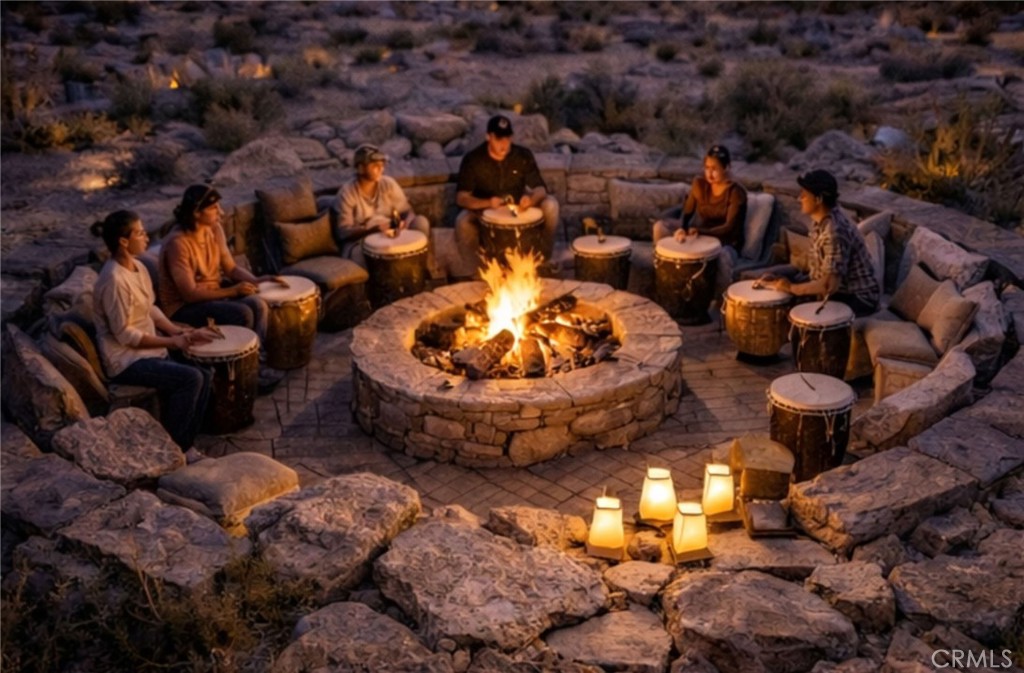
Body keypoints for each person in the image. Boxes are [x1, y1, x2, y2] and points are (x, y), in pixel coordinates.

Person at [91, 210, 217, 454]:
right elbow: (125, 336)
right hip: (126, 361)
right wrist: (173, 342)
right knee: (191, 379)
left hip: (149, 349)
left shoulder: (137, 266)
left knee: (206, 373)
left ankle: (186, 440)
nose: (146, 237)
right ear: (124, 241)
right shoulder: (114, 281)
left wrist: (179, 331)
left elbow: (150, 309)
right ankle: (176, 449)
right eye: (139, 233)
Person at [158, 184, 280, 341]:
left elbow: (231, 268)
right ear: (196, 213)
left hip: (212, 292)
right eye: (214, 208)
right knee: (243, 313)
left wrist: (256, 280)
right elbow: (189, 294)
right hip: (183, 306)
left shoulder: (214, 228)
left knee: (258, 303)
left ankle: (255, 350)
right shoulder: (178, 243)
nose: (221, 213)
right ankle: (237, 357)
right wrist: (233, 291)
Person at [756, 170, 879, 317]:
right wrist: (781, 276)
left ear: (819, 199)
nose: (799, 198)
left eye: (804, 195)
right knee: (777, 284)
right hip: (839, 288)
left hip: (858, 298)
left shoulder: (835, 231)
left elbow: (829, 286)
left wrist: (791, 287)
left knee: (794, 307)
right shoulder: (821, 220)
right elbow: (819, 269)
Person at [454, 114, 560, 272]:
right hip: (485, 210)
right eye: (499, 139)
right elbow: (461, 198)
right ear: (488, 137)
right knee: (462, 222)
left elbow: (540, 189)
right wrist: (488, 203)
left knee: (551, 205)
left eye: (507, 138)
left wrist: (530, 200)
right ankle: (476, 272)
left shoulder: (522, 155)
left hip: (517, 207)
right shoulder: (473, 160)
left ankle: (543, 259)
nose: (504, 144)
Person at [653, 144, 747, 293]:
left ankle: (719, 302)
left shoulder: (736, 192)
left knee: (722, 257)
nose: (710, 174)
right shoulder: (699, 184)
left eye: (715, 169)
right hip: (699, 236)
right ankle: (665, 281)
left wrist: (699, 231)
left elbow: (729, 228)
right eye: (707, 168)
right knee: (660, 227)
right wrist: (682, 229)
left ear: (726, 168)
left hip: (726, 242)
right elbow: (687, 213)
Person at [337, 144, 433, 271]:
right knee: (358, 255)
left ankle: (418, 270)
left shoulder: (388, 184)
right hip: (361, 240)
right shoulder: (347, 193)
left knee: (421, 222)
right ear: (360, 168)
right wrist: (372, 230)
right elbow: (343, 232)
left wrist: (405, 223)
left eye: (382, 165)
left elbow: (407, 211)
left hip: (391, 233)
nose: (381, 169)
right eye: (374, 166)